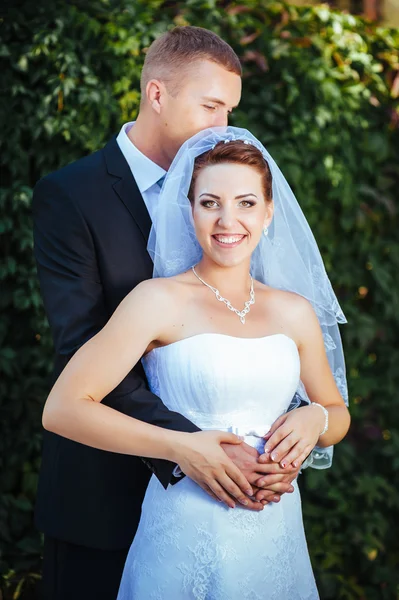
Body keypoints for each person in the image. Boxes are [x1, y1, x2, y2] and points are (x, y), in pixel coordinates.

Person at [33, 27, 302, 600]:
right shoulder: (71, 195)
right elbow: (79, 343)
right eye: (211, 105)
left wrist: (277, 434)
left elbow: (257, 320)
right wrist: (199, 447)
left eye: (230, 108)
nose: (223, 123)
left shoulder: (224, 192)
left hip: (235, 503)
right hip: (103, 493)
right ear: (157, 94)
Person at [42, 128, 351, 599]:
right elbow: (63, 409)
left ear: (269, 212)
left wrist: (316, 416)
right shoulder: (156, 301)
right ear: (190, 211)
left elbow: (336, 411)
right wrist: (181, 448)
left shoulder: (294, 311)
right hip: (182, 526)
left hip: (276, 532)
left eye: (246, 203)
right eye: (210, 203)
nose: (229, 220)